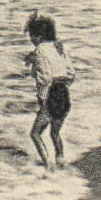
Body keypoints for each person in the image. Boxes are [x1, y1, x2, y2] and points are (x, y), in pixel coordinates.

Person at [23, 13, 75, 173]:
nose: (31, 39)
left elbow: (44, 77)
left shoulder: (39, 51)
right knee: (55, 132)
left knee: (36, 134)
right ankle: (61, 159)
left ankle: (48, 166)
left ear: (38, 36)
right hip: (64, 92)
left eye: (31, 36)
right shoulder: (59, 48)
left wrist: (43, 99)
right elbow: (71, 73)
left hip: (51, 93)